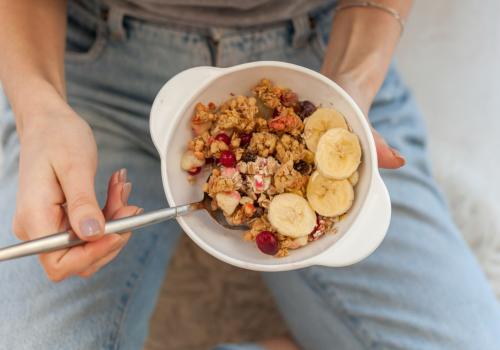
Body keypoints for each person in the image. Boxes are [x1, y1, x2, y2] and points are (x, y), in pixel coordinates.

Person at [0, 0, 499, 349]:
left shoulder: (331, 129)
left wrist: (350, 90)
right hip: (90, 73)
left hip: (325, 63)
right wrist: (40, 111)